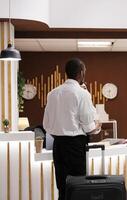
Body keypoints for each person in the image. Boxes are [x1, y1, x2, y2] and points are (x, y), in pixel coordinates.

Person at [43, 58, 101, 200]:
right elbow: (88, 127)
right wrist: (97, 125)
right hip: (75, 146)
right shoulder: (82, 94)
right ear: (81, 73)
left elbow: (46, 125)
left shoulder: (52, 93)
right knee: (78, 187)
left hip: (58, 146)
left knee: (62, 187)